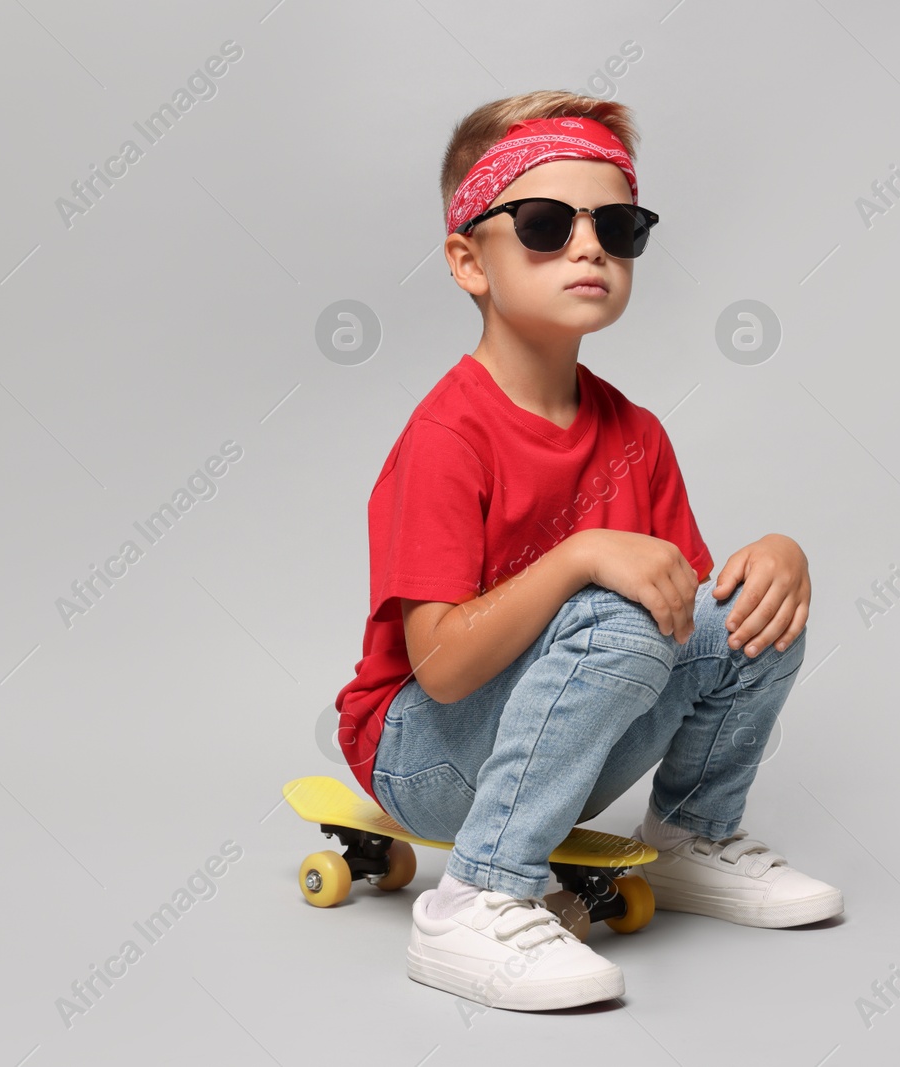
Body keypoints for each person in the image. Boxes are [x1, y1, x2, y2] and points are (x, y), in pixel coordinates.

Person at [333, 91, 842, 1012]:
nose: (588, 245)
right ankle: (477, 898)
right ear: (467, 260)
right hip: (422, 753)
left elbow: (686, 613)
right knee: (614, 610)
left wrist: (777, 556)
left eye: (616, 223)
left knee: (752, 615)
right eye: (542, 223)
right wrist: (578, 558)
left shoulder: (636, 433)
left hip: (557, 741)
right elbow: (440, 670)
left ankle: (692, 837)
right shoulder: (448, 436)